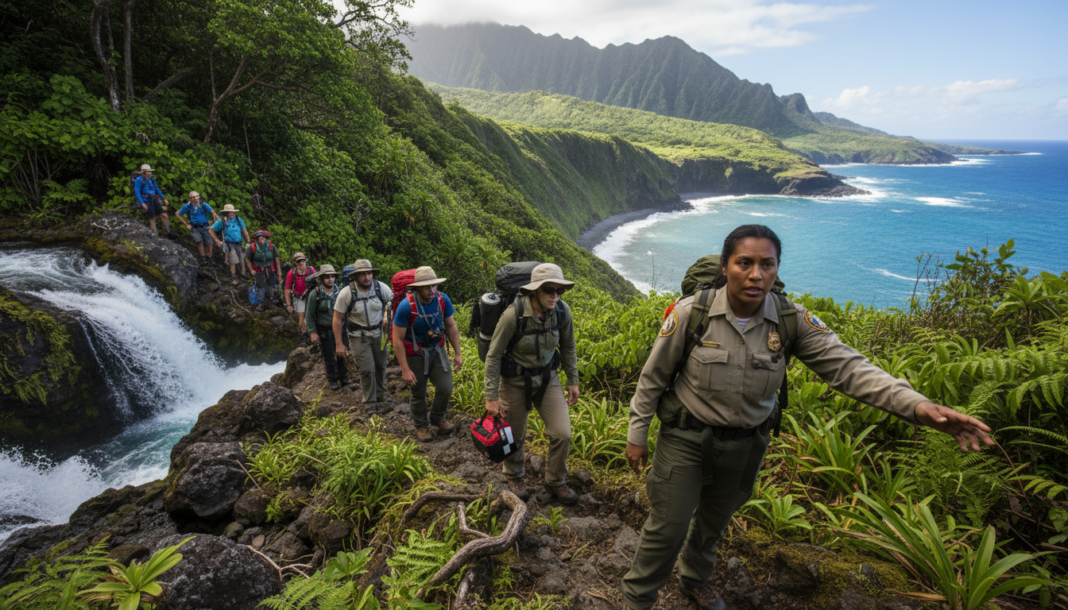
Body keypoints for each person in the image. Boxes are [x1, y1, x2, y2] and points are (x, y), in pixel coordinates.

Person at [620, 224, 995, 610]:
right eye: (744, 263)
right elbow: (653, 379)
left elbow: (850, 368)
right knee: (668, 527)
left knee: (714, 522)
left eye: (767, 264)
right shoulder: (690, 314)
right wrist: (637, 434)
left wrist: (917, 406)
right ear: (725, 265)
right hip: (685, 438)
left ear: (777, 268)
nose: (755, 274)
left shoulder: (790, 321)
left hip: (746, 445)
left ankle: (695, 578)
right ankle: (638, 598)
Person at [484, 263, 581, 504]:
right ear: (534, 291)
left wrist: (573, 380)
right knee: (514, 435)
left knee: (563, 433)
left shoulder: (562, 311)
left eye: (559, 290)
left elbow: (568, 346)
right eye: (549, 290)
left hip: (548, 378)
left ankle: (555, 480)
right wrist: (492, 396)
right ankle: (514, 475)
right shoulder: (512, 315)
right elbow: (494, 355)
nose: (555, 295)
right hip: (515, 381)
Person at [391, 266, 463, 442]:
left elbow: (451, 327)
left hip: (437, 349)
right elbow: (397, 339)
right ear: (417, 288)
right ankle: (421, 426)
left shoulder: (442, 300)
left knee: (446, 387)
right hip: (415, 353)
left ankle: (438, 417)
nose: (432, 290)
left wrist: (458, 353)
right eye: (426, 287)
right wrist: (405, 369)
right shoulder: (406, 306)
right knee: (418, 392)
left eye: (434, 286)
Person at [333, 260, 393, 409]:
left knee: (381, 365)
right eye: (362, 274)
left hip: (380, 333)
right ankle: (369, 401)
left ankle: (380, 393)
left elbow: (393, 302)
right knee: (367, 369)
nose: (367, 277)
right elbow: (337, 319)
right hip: (358, 335)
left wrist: (387, 313)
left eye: (369, 273)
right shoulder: (347, 293)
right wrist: (339, 343)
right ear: (356, 276)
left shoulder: (381, 288)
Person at [305, 265, 351, 391]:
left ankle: (344, 378)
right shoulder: (315, 294)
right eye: (327, 277)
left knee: (343, 354)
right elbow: (310, 315)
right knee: (329, 356)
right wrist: (313, 332)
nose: (330, 279)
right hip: (325, 330)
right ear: (321, 279)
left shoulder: (340, 292)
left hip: (341, 329)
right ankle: (332, 380)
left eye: (332, 276)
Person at [209, 204, 250, 286]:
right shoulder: (222, 221)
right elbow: (211, 230)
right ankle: (233, 277)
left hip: (239, 243)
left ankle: (243, 273)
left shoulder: (238, 219)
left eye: (232, 212)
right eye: (229, 212)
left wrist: (248, 239)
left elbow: (244, 230)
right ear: (226, 213)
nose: (231, 213)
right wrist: (217, 240)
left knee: (241, 258)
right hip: (229, 244)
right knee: (233, 260)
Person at [175, 191, 219, 264]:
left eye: (196, 196)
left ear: (198, 197)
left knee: (209, 242)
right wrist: (186, 224)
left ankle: (210, 257)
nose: (194, 198)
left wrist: (214, 225)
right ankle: (203, 258)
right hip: (194, 227)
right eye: (192, 197)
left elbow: (213, 212)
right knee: (199, 241)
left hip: (205, 226)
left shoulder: (203, 204)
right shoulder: (187, 206)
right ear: (190, 198)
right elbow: (178, 214)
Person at [285, 253, 316, 345]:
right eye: (299, 261)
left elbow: (318, 281)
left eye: (303, 261)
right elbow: (287, 289)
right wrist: (289, 304)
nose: (301, 263)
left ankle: (314, 333)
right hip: (299, 297)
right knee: (301, 316)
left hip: (311, 295)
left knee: (312, 314)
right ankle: (305, 335)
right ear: (296, 263)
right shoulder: (292, 273)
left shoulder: (311, 270)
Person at [133, 164, 172, 236]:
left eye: (149, 173)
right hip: (146, 200)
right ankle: (156, 236)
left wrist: (164, 198)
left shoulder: (151, 179)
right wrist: (142, 203)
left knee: (164, 214)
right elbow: (137, 192)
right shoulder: (139, 180)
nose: (148, 174)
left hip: (153, 198)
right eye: (147, 173)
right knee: (152, 218)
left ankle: (169, 232)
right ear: (143, 173)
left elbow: (156, 189)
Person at [245, 230, 281, 310]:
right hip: (258, 269)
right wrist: (251, 270)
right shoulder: (252, 248)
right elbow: (247, 259)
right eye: (260, 239)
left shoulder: (271, 246)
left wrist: (278, 271)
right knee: (260, 286)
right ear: (256, 240)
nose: (262, 240)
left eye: (263, 238)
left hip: (270, 268)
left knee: (271, 284)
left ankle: (271, 301)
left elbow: (276, 258)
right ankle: (261, 303)